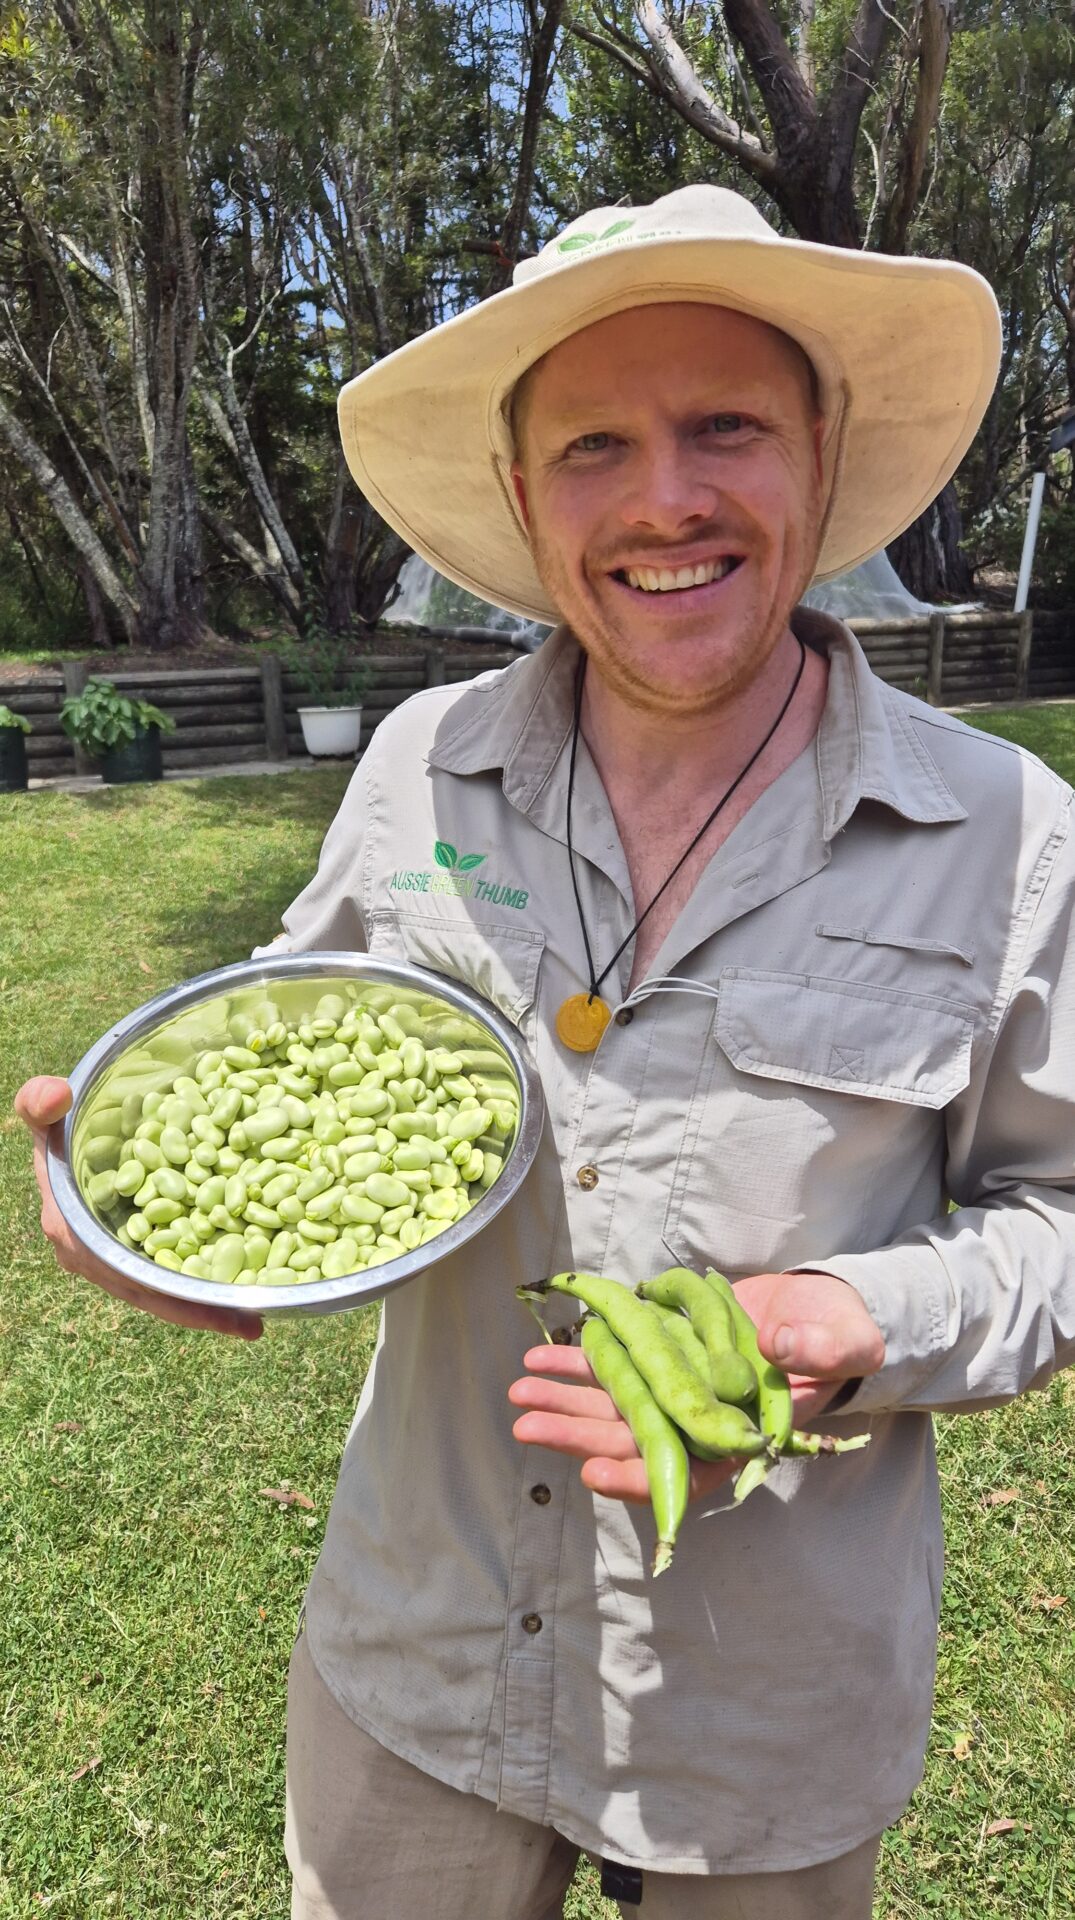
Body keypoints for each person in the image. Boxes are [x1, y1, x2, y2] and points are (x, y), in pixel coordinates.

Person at [17, 186, 1075, 1920]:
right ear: (521, 497)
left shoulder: (1007, 834)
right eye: (595, 443)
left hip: (762, 1717)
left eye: (725, 424)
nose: (666, 497)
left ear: (823, 450)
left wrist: (861, 1323)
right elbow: (302, 1050)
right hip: (417, 1655)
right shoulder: (421, 768)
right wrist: (155, 1200)